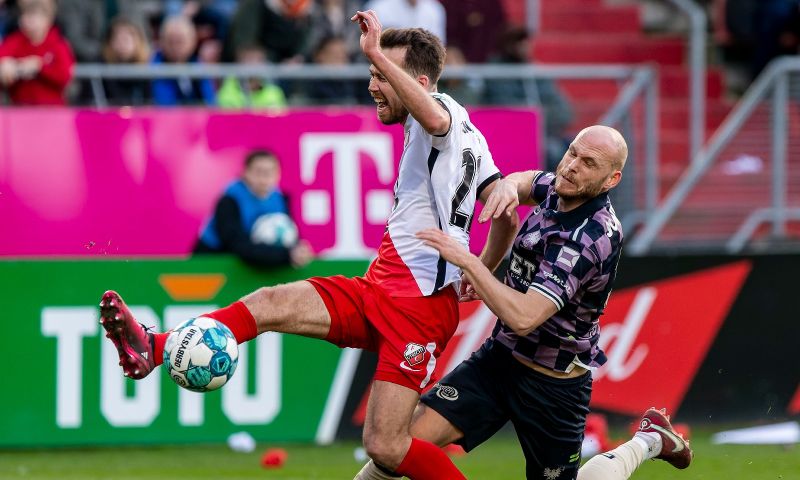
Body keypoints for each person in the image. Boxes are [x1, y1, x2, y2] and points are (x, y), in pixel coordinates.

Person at [99, 10, 516, 480]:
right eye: (373, 74)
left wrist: (376, 49)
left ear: (417, 81)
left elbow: (437, 120)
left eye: (383, 76)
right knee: (270, 301)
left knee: (385, 445)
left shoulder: (440, 118)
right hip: (381, 287)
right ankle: (152, 349)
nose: (373, 85)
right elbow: (507, 216)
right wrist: (478, 272)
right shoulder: (472, 141)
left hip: (417, 307)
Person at [355, 124, 692, 480]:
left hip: (553, 386)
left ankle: (648, 440)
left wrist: (471, 263)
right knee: (397, 447)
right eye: (572, 152)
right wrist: (507, 187)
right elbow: (528, 180)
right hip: (499, 361)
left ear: (611, 180)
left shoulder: (590, 238)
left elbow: (524, 316)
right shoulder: (560, 187)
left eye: (588, 162)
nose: (572, 166)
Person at [194, 149, 311, 268]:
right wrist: (286, 255)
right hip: (213, 261)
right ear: (245, 172)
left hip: (260, 263)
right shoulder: (229, 200)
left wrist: (298, 250)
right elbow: (237, 245)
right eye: (258, 172)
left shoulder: (281, 199)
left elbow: (292, 237)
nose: (264, 178)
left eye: (270, 172)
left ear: (278, 174)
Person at [0, 0, 74, 105]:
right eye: (27, 17)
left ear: (47, 20)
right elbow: (3, 57)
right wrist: (6, 64)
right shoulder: (15, 41)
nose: (30, 22)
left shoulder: (58, 44)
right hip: (20, 108)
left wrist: (40, 67)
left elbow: (65, 75)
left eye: (35, 17)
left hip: (52, 109)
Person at [151, 15, 216, 106]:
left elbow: (211, 104)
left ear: (192, 41)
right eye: (171, 41)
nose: (176, 47)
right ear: (162, 42)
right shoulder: (152, 70)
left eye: (180, 41)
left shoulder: (199, 67)